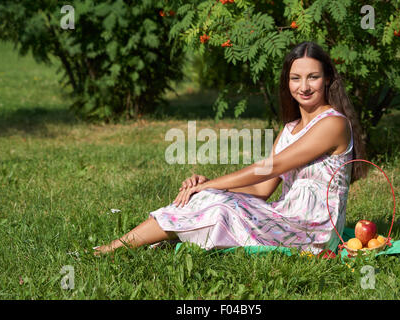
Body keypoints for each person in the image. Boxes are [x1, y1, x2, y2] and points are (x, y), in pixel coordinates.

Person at [93, 41, 368, 256]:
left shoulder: (334, 124)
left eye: (313, 77)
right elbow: (263, 189)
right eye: (296, 78)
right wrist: (210, 186)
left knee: (218, 208)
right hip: (285, 216)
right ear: (287, 81)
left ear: (328, 79)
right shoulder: (290, 128)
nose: (304, 87)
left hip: (313, 232)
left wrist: (211, 187)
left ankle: (117, 249)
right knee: (208, 199)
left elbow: (270, 168)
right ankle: (119, 246)